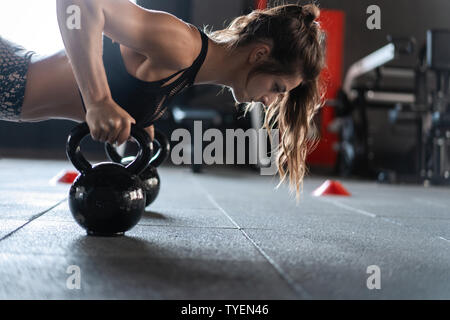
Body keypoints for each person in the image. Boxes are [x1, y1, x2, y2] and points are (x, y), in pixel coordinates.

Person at [0, 0, 325, 199]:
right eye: (278, 88)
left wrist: (145, 120)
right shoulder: (181, 45)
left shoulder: (185, 71)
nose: (270, 101)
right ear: (260, 54)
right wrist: (97, 100)